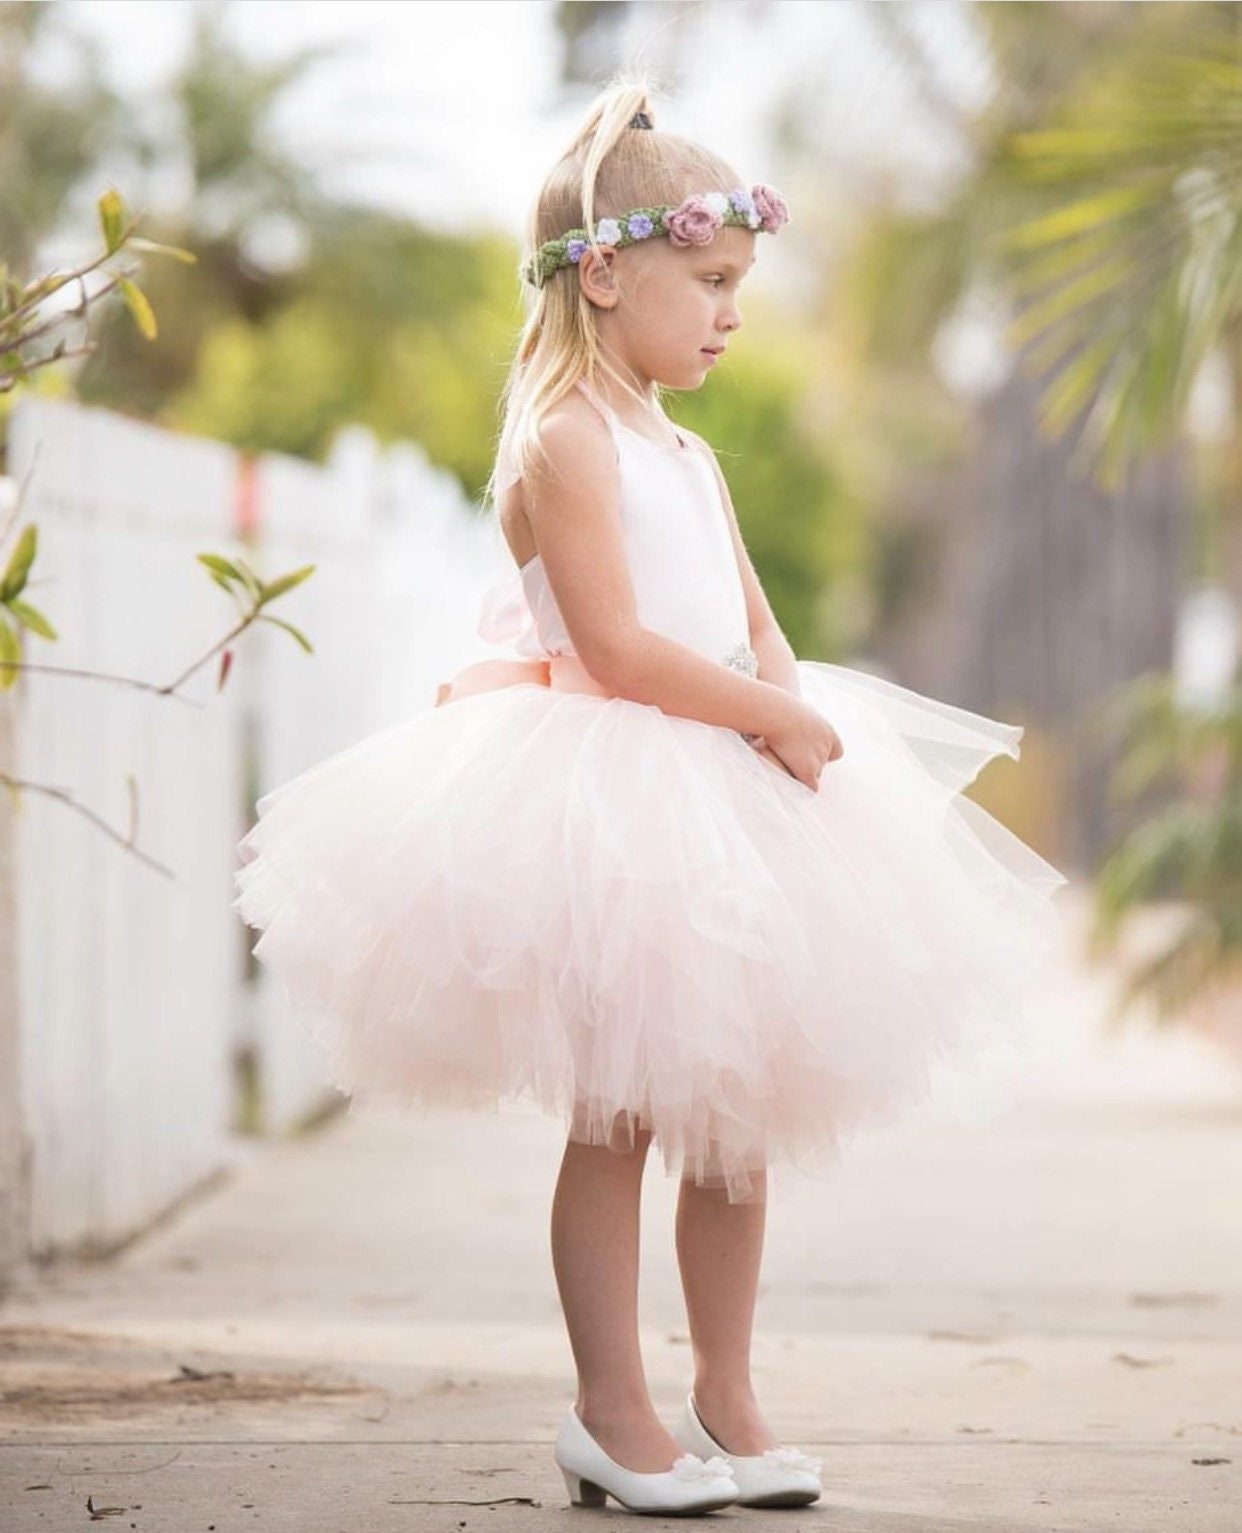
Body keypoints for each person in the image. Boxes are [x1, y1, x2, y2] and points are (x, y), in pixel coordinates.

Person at [232, 79, 1070, 1517]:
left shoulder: (690, 450)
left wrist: (789, 724)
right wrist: (770, 716)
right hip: (613, 792)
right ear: (607, 275)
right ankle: (610, 1409)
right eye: (712, 283)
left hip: (725, 795)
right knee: (616, 1116)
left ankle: (727, 1392)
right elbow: (615, 649)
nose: (731, 316)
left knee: (736, 1125)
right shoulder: (562, 440)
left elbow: (753, 629)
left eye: (740, 287)